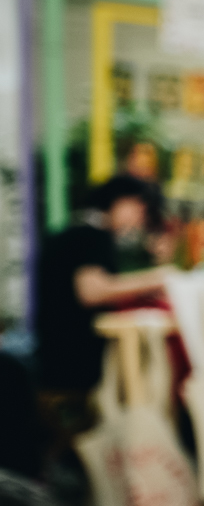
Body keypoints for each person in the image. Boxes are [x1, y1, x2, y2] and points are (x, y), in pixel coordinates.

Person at [26, 174, 172, 484]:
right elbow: (91, 291)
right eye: (140, 209)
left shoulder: (72, 232)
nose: (139, 219)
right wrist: (157, 278)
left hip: (52, 352)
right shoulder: (91, 235)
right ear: (121, 202)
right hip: (74, 360)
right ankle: (134, 467)